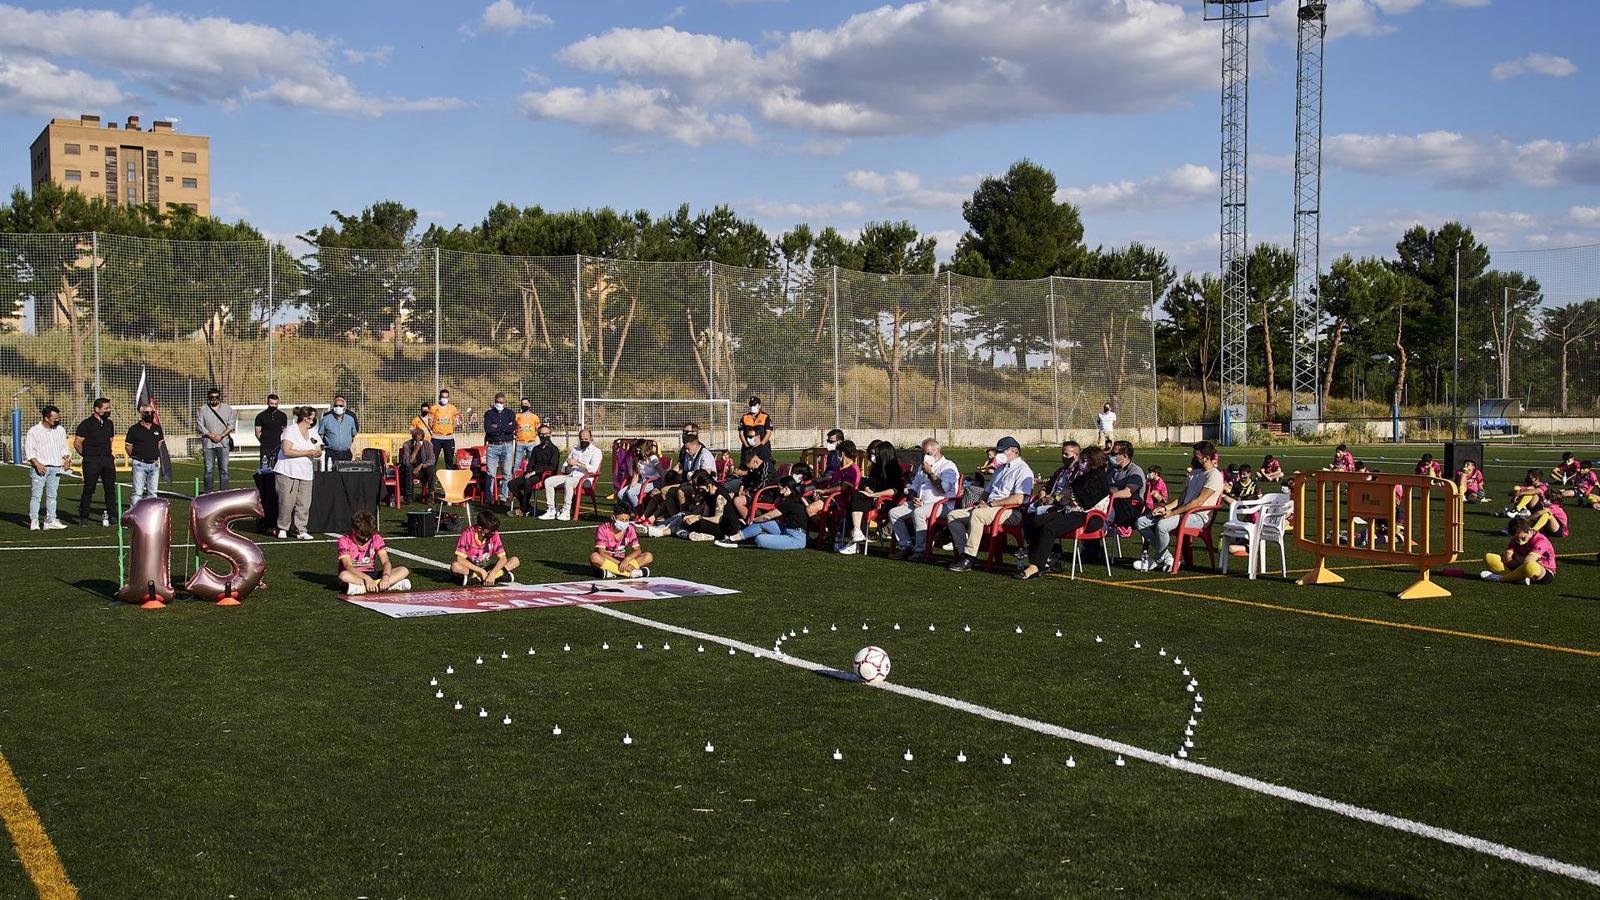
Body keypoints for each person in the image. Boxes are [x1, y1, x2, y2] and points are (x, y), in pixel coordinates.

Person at [1017, 445, 1112, 580]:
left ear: (1093, 460)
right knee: (1036, 521)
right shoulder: (1083, 476)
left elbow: (1086, 501)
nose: (1081, 463)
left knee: (1049, 528)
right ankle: (1048, 556)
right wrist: (1059, 499)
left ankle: (1036, 566)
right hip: (1073, 511)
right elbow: (1068, 496)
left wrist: (1068, 496)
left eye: (1084, 460)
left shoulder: (1099, 476)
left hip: (1090, 516)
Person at [946, 437, 1036, 573]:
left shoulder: (1023, 470)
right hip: (992, 508)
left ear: (1014, 451)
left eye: (1002, 451)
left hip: (1011, 511)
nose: (999, 455)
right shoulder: (1000, 469)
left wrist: (991, 504)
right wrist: (982, 502)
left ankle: (970, 558)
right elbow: (987, 492)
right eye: (998, 451)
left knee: (977, 515)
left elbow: (1018, 499)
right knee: (953, 516)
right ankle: (963, 553)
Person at [1134, 440, 1224, 572]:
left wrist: (1173, 513)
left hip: (1198, 517)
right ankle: (1167, 558)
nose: (1193, 458)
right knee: (1141, 522)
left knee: (1162, 525)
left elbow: (1198, 502)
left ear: (1206, 458)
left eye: (1196, 456)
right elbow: (1181, 499)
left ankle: (1157, 560)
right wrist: (1165, 508)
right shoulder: (1194, 473)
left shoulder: (1214, 475)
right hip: (1184, 513)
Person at [889, 439, 960, 560]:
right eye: (924, 453)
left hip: (941, 505)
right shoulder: (922, 467)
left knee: (918, 513)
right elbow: (913, 487)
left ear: (937, 450)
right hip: (921, 503)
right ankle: (906, 546)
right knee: (894, 513)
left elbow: (943, 489)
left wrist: (930, 473)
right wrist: (914, 498)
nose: (926, 456)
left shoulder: (948, 466)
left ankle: (921, 550)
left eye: (928, 453)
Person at [838, 440, 907, 553]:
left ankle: (854, 540)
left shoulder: (895, 470)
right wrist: (868, 491)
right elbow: (869, 484)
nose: (874, 457)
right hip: (872, 497)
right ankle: (856, 533)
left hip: (885, 501)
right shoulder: (876, 468)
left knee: (856, 500)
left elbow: (895, 491)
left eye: (877, 454)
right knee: (855, 496)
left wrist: (875, 495)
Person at [715, 476, 809, 550]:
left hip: (795, 538)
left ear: (786, 488)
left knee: (759, 539)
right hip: (787, 530)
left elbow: (768, 516)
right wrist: (756, 521)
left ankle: (738, 538)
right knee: (761, 523)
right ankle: (733, 538)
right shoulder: (798, 499)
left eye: (780, 488)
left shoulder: (789, 502)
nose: (779, 491)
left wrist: (753, 520)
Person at [336, 510, 411, 596]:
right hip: (354, 574)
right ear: (353, 529)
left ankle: (363, 588)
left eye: (368, 537)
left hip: (371, 573)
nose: (365, 540)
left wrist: (386, 577)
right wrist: (366, 578)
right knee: (343, 576)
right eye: (361, 537)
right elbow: (348, 566)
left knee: (403, 570)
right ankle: (389, 585)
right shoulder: (344, 540)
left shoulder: (376, 538)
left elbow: (386, 562)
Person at [274, 406, 321, 540]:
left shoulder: (313, 432)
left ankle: (301, 529)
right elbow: (286, 451)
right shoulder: (291, 430)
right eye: (312, 417)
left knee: (304, 503)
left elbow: (318, 448)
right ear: (306, 418)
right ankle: (283, 528)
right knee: (286, 502)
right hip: (288, 471)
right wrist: (308, 452)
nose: (313, 420)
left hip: (305, 472)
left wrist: (317, 453)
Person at [24, 405, 70, 530]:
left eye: (58, 418)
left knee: (52, 496)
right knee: (36, 496)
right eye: (55, 418)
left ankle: (50, 520)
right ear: (46, 418)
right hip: (40, 468)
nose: (57, 420)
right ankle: (34, 521)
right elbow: (29, 450)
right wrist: (37, 464)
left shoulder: (60, 430)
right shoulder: (34, 431)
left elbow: (64, 447)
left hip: (56, 468)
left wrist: (67, 459)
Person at [541, 427, 601, 521]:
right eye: (581, 439)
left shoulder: (596, 451)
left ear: (591, 438)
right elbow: (563, 468)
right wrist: (569, 467)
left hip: (585, 479)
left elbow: (593, 470)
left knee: (568, 481)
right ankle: (551, 510)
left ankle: (566, 510)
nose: (583, 441)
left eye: (586, 439)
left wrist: (577, 463)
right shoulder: (575, 450)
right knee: (548, 481)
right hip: (570, 475)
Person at [73, 397, 117, 526]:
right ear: (97, 409)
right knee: (89, 489)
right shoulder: (86, 424)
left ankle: (112, 515)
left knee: (110, 489)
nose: (108, 410)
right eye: (106, 408)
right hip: (92, 461)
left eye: (109, 408)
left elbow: (110, 440)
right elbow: (77, 443)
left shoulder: (109, 424)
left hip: (107, 460)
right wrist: (87, 455)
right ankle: (84, 517)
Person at [1481, 517, 1555, 585]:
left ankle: (1501, 578)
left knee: (1531, 566)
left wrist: (1517, 558)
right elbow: (1507, 559)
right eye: (1516, 539)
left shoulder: (1540, 540)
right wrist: (1521, 560)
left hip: (1542, 571)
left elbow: (1528, 561)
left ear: (1530, 531)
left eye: (1523, 538)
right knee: (1488, 557)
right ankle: (1517, 578)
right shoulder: (1515, 539)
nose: (1520, 542)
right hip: (1519, 566)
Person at [452, 510, 519, 585]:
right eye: (489, 532)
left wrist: (493, 573)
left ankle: (479, 578)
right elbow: (460, 559)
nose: (492, 534)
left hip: (488, 567)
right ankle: (498, 576)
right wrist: (481, 571)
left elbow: (503, 558)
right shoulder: (467, 533)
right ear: (480, 528)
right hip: (472, 568)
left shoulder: (494, 533)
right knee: (455, 566)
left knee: (515, 560)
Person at [510, 424, 562, 516]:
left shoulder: (554, 450)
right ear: (538, 435)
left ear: (550, 434)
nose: (544, 436)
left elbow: (552, 467)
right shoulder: (536, 449)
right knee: (511, 484)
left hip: (544, 475)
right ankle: (527, 506)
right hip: (532, 473)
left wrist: (534, 472)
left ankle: (522, 509)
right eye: (542, 434)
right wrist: (528, 472)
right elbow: (531, 463)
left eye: (546, 434)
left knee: (527, 483)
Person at [195, 387, 237, 493]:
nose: (214, 399)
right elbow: (200, 425)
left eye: (216, 397)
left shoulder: (227, 409)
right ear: (208, 397)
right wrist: (210, 435)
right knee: (209, 469)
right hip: (208, 444)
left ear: (219, 397)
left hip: (223, 443)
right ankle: (209, 492)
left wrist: (221, 436)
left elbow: (231, 425)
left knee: (224, 470)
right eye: (212, 397)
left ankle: (224, 492)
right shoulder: (203, 409)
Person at [592, 506, 653, 578]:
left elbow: (637, 550)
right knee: (594, 557)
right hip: (607, 559)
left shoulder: (630, 528)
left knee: (648, 556)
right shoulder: (603, 529)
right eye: (621, 519)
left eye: (626, 520)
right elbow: (601, 552)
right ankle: (631, 573)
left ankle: (612, 572)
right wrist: (621, 564)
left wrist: (626, 560)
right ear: (613, 517)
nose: (624, 522)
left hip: (622, 559)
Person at [125, 401, 166, 503]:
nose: (150, 414)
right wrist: (137, 457)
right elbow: (128, 447)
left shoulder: (157, 428)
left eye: (152, 412)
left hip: (154, 464)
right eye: (147, 412)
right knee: (137, 493)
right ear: (141, 414)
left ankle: (150, 512)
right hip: (139, 464)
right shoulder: (134, 429)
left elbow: (159, 444)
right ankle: (135, 512)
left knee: (153, 493)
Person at [483, 391, 517, 505]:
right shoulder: (489, 414)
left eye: (501, 402)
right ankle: (489, 498)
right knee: (490, 473)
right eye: (497, 402)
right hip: (493, 446)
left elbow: (512, 428)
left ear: (504, 402)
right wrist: (505, 427)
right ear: (494, 401)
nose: (499, 404)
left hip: (507, 445)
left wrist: (497, 426)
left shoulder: (510, 413)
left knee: (507, 473)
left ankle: (503, 498)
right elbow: (488, 429)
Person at [1107, 441, 1147, 535]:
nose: (1110, 456)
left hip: (1130, 508)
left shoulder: (1135, 471)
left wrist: (1107, 496)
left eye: (1114, 454)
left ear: (1125, 456)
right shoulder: (1112, 469)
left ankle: (1106, 526)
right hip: (1113, 505)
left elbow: (1127, 492)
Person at [619, 440, 662, 512]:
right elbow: (635, 476)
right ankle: (633, 511)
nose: (637, 452)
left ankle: (640, 512)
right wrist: (630, 487)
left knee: (631, 493)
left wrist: (662, 486)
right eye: (636, 450)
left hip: (654, 482)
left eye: (639, 450)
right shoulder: (637, 459)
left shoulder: (652, 458)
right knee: (621, 494)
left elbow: (662, 472)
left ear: (644, 449)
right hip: (643, 481)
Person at [396, 428, 436, 504]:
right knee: (408, 468)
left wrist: (421, 465)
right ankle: (409, 495)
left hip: (423, 470)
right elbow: (407, 462)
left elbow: (432, 460)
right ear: (413, 438)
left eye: (420, 441)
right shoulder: (407, 445)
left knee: (431, 468)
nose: (418, 443)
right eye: (416, 441)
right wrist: (416, 450)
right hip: (410, 470)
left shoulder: (428, 444)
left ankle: (430, 495)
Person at [317, 395, 358, 463]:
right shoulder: (326, 419)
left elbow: (353, 434)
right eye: (336, 405)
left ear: (344, 407)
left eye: (341, 406)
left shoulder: (350, 419)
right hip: (331, 453)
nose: (338, 407)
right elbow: (321, 434)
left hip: (346, 453)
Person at [429, 389, 462, 469]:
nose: (445, 399)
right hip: (436, 438)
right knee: (433, 460)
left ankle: (449, 475)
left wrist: (452, 428)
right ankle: (432, 476)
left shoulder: (453, 408)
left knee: (449, 460)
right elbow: (430, 421)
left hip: (449, 438)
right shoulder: (434, 408)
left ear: (448, 398)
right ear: (440, 397)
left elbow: (456, 420)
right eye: (443, 397)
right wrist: (435, 430)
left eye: (446, 397)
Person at [254, 394, 287, 471]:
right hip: (265, 447)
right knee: (264, 468)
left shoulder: (282, 416)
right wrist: (263, 442)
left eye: (276, 404)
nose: (274, 406)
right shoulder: (261, 416)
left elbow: (284, 431)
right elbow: (257, 432)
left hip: (278, 446)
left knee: (278, 468)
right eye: (271, 403)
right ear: (267, 403)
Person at [512, 399, 542, 477]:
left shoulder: (534, 417)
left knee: (532, 462)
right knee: (517, 463)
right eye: (522, 404)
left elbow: (538, 429)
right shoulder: (517, 416)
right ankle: (515, 478)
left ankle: (532, 477)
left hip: (531, 443)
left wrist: (534, 436)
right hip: (519, 442)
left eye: (526, 403)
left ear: (529, 405)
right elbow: (513, 427)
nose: (524, 405)